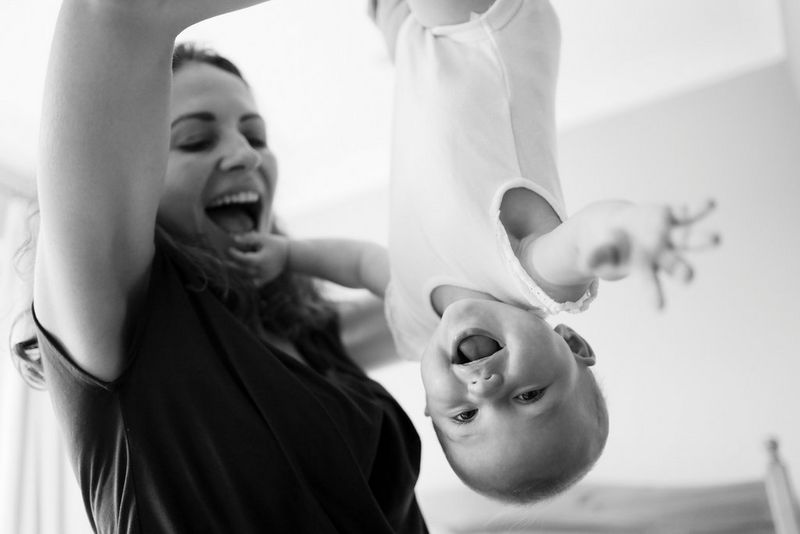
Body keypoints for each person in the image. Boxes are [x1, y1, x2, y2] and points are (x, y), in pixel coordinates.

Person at [230, 0, 719, 504]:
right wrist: (630, 231)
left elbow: (360, 265)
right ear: (573, 345)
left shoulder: (416, 323)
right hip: (483, 35)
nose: (484, 386)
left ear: (428, 404)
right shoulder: (532, 280)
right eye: (528, 396)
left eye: (464, 416)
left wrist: (288, 256)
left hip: (422, 56)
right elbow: (587, 240)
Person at [13, 0, 429, 531]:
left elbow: (433, 294)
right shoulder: (114, 320)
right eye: (195, 140)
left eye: (255, 137)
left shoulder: (310, 337)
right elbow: (112, 13)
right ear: (134, 180)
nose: (247, 156)